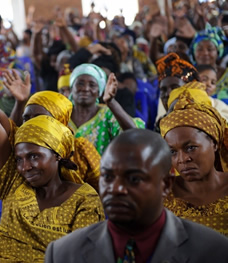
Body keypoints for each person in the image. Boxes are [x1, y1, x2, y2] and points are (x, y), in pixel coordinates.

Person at [0, 17, 104, 262]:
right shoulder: (14, 180)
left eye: (34, 157)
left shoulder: (84, 199)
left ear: (57, 154)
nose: (24, 166)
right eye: (20, 158)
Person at [44, 129, 228, 263]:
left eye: (133, 179)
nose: (116, 189)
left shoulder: (213, 250)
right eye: (107, 177)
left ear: (165, 184)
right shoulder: (62, 254)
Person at [160, 88, 228, 236]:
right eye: (172, 152)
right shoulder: (162, 195)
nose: (183, 159)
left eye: (191, 148)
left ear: (214, 144)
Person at [67, 63, 145, 155]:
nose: (85, 88)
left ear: (99, 91)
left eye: (92, 85)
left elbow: (135, 134)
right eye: (80, 83)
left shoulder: (107, 114)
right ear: (72, 88)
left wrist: (111, 102)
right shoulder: (62, 114)